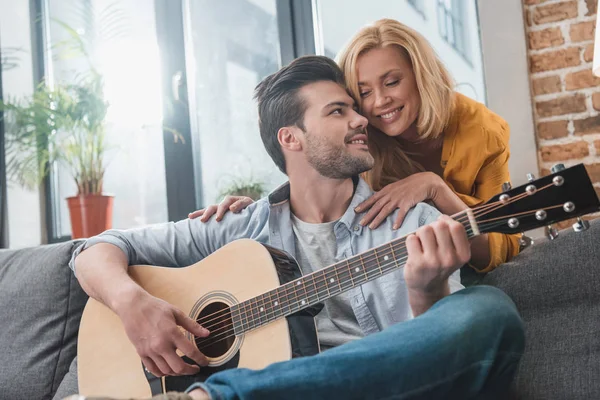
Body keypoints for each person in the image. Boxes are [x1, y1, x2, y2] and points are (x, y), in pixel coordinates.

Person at [71, 56, 524, 400]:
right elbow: (93, 249)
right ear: (291, 138)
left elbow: (433, 360)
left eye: (354, 108)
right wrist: (133, 304)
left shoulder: (413, 223)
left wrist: (427, 290)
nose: (362, 118)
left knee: (489, 310)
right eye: (338, 111)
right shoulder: (238, 229)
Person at [190, 18, 520, 273]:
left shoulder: (483, 132)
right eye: (363, 92)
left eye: (392, 82)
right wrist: (264, 213)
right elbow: (319, 188)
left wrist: (435, 189)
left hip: (464, 268)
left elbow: (503, 246)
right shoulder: (360, 137)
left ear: (422, 76)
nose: (379, 102)